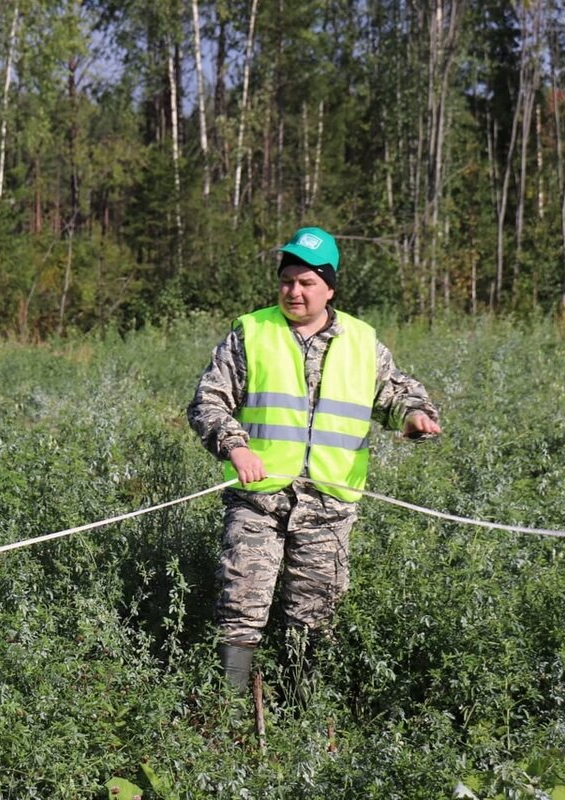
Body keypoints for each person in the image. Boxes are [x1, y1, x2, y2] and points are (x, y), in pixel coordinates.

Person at [187, 226, 441, 692]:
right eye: (287, 281)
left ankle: (301, 717)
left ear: (329, 288)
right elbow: (209, 401)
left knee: (314, 615)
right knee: (241, 607)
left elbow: (399, 395)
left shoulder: (364, 343)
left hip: (329, 505)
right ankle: (228, 716)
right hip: (258, 502)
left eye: (306, 282)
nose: (294, 291)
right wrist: (235, 446)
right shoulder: (250, 333)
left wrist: (415, 416)